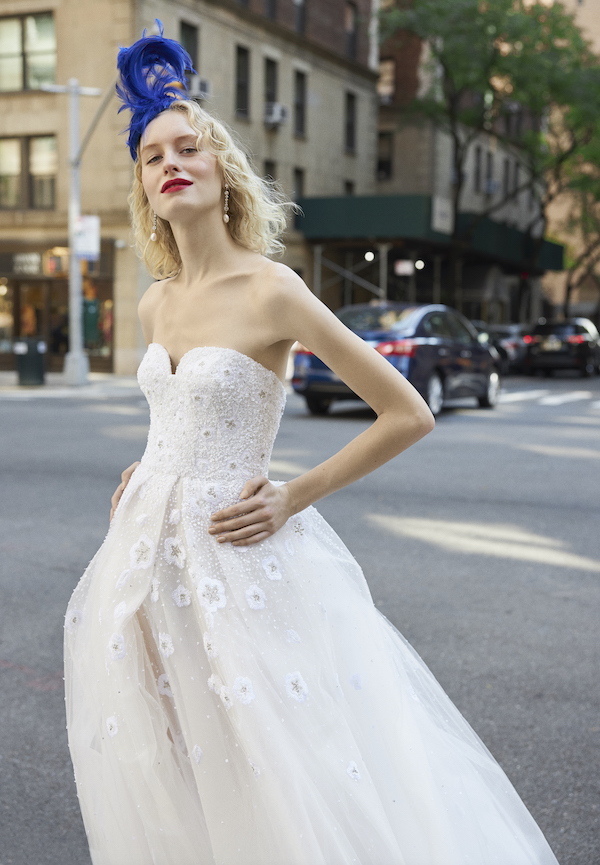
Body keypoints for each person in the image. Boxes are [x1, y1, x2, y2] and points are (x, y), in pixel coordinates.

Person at [64, 24, 560, 865]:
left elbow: (407, 411)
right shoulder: (153, 303)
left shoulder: (273, 289)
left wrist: (293, 493)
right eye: (153, 156)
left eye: (190, 147)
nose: (171, 162)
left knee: (273, 757)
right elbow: (174, 416)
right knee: (173, 748)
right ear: (144, 186)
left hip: (239, 554)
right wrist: (147, 467)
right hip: (144, 552)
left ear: (221, 170)